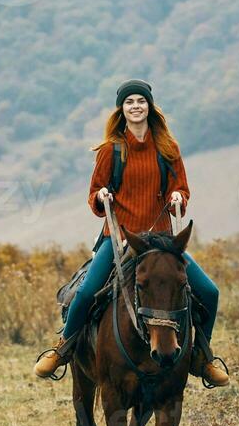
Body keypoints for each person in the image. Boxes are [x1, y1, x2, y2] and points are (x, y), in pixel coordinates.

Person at [33, 78, 229, 386]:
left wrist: (178, 197)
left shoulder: (168, 148)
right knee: (85, 293)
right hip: (120, 238)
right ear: (121, 110)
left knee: (209, 292)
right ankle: (62, 349)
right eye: (129, 102)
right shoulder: (111, 150)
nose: (135, 106)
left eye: (140, 101)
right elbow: (94, 191)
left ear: (150, 107)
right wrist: (101, 197)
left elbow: (181, 188)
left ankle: (202, 357)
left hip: (162, 242)